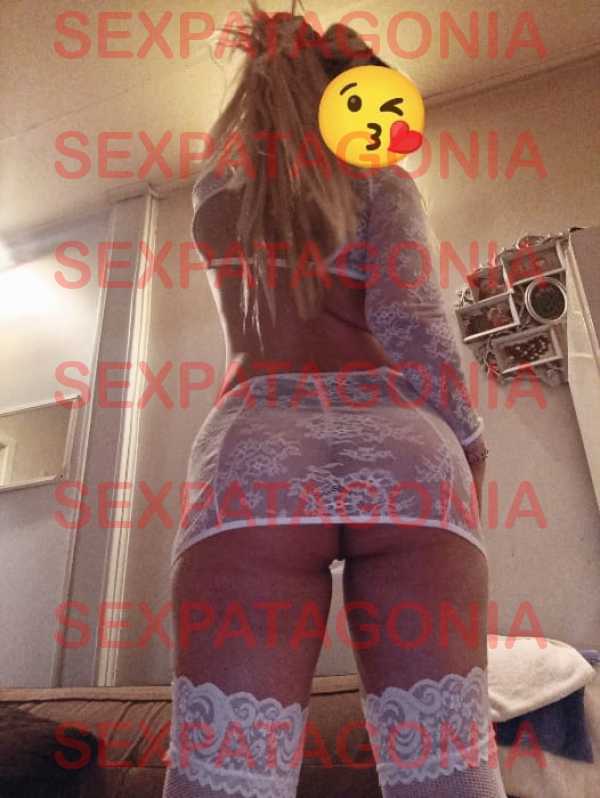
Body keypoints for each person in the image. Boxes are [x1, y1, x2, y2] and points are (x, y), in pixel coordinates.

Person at [162, 3, 506, 797]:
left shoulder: (217, 186)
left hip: (258, 446)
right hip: (403, 451)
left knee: (228, 772)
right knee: (449, 770)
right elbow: (413, 323)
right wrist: (472, 450)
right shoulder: (384, 181)